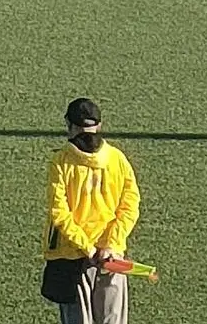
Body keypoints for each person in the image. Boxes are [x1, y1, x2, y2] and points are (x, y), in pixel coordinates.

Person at [42, 97, 141, 324]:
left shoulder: (61, 161)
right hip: (112, 259)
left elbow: (60, 212)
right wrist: (112, 244)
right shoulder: (117, 159)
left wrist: (87, 247)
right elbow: (130, 205)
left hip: (72, 258)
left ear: (71, 125)